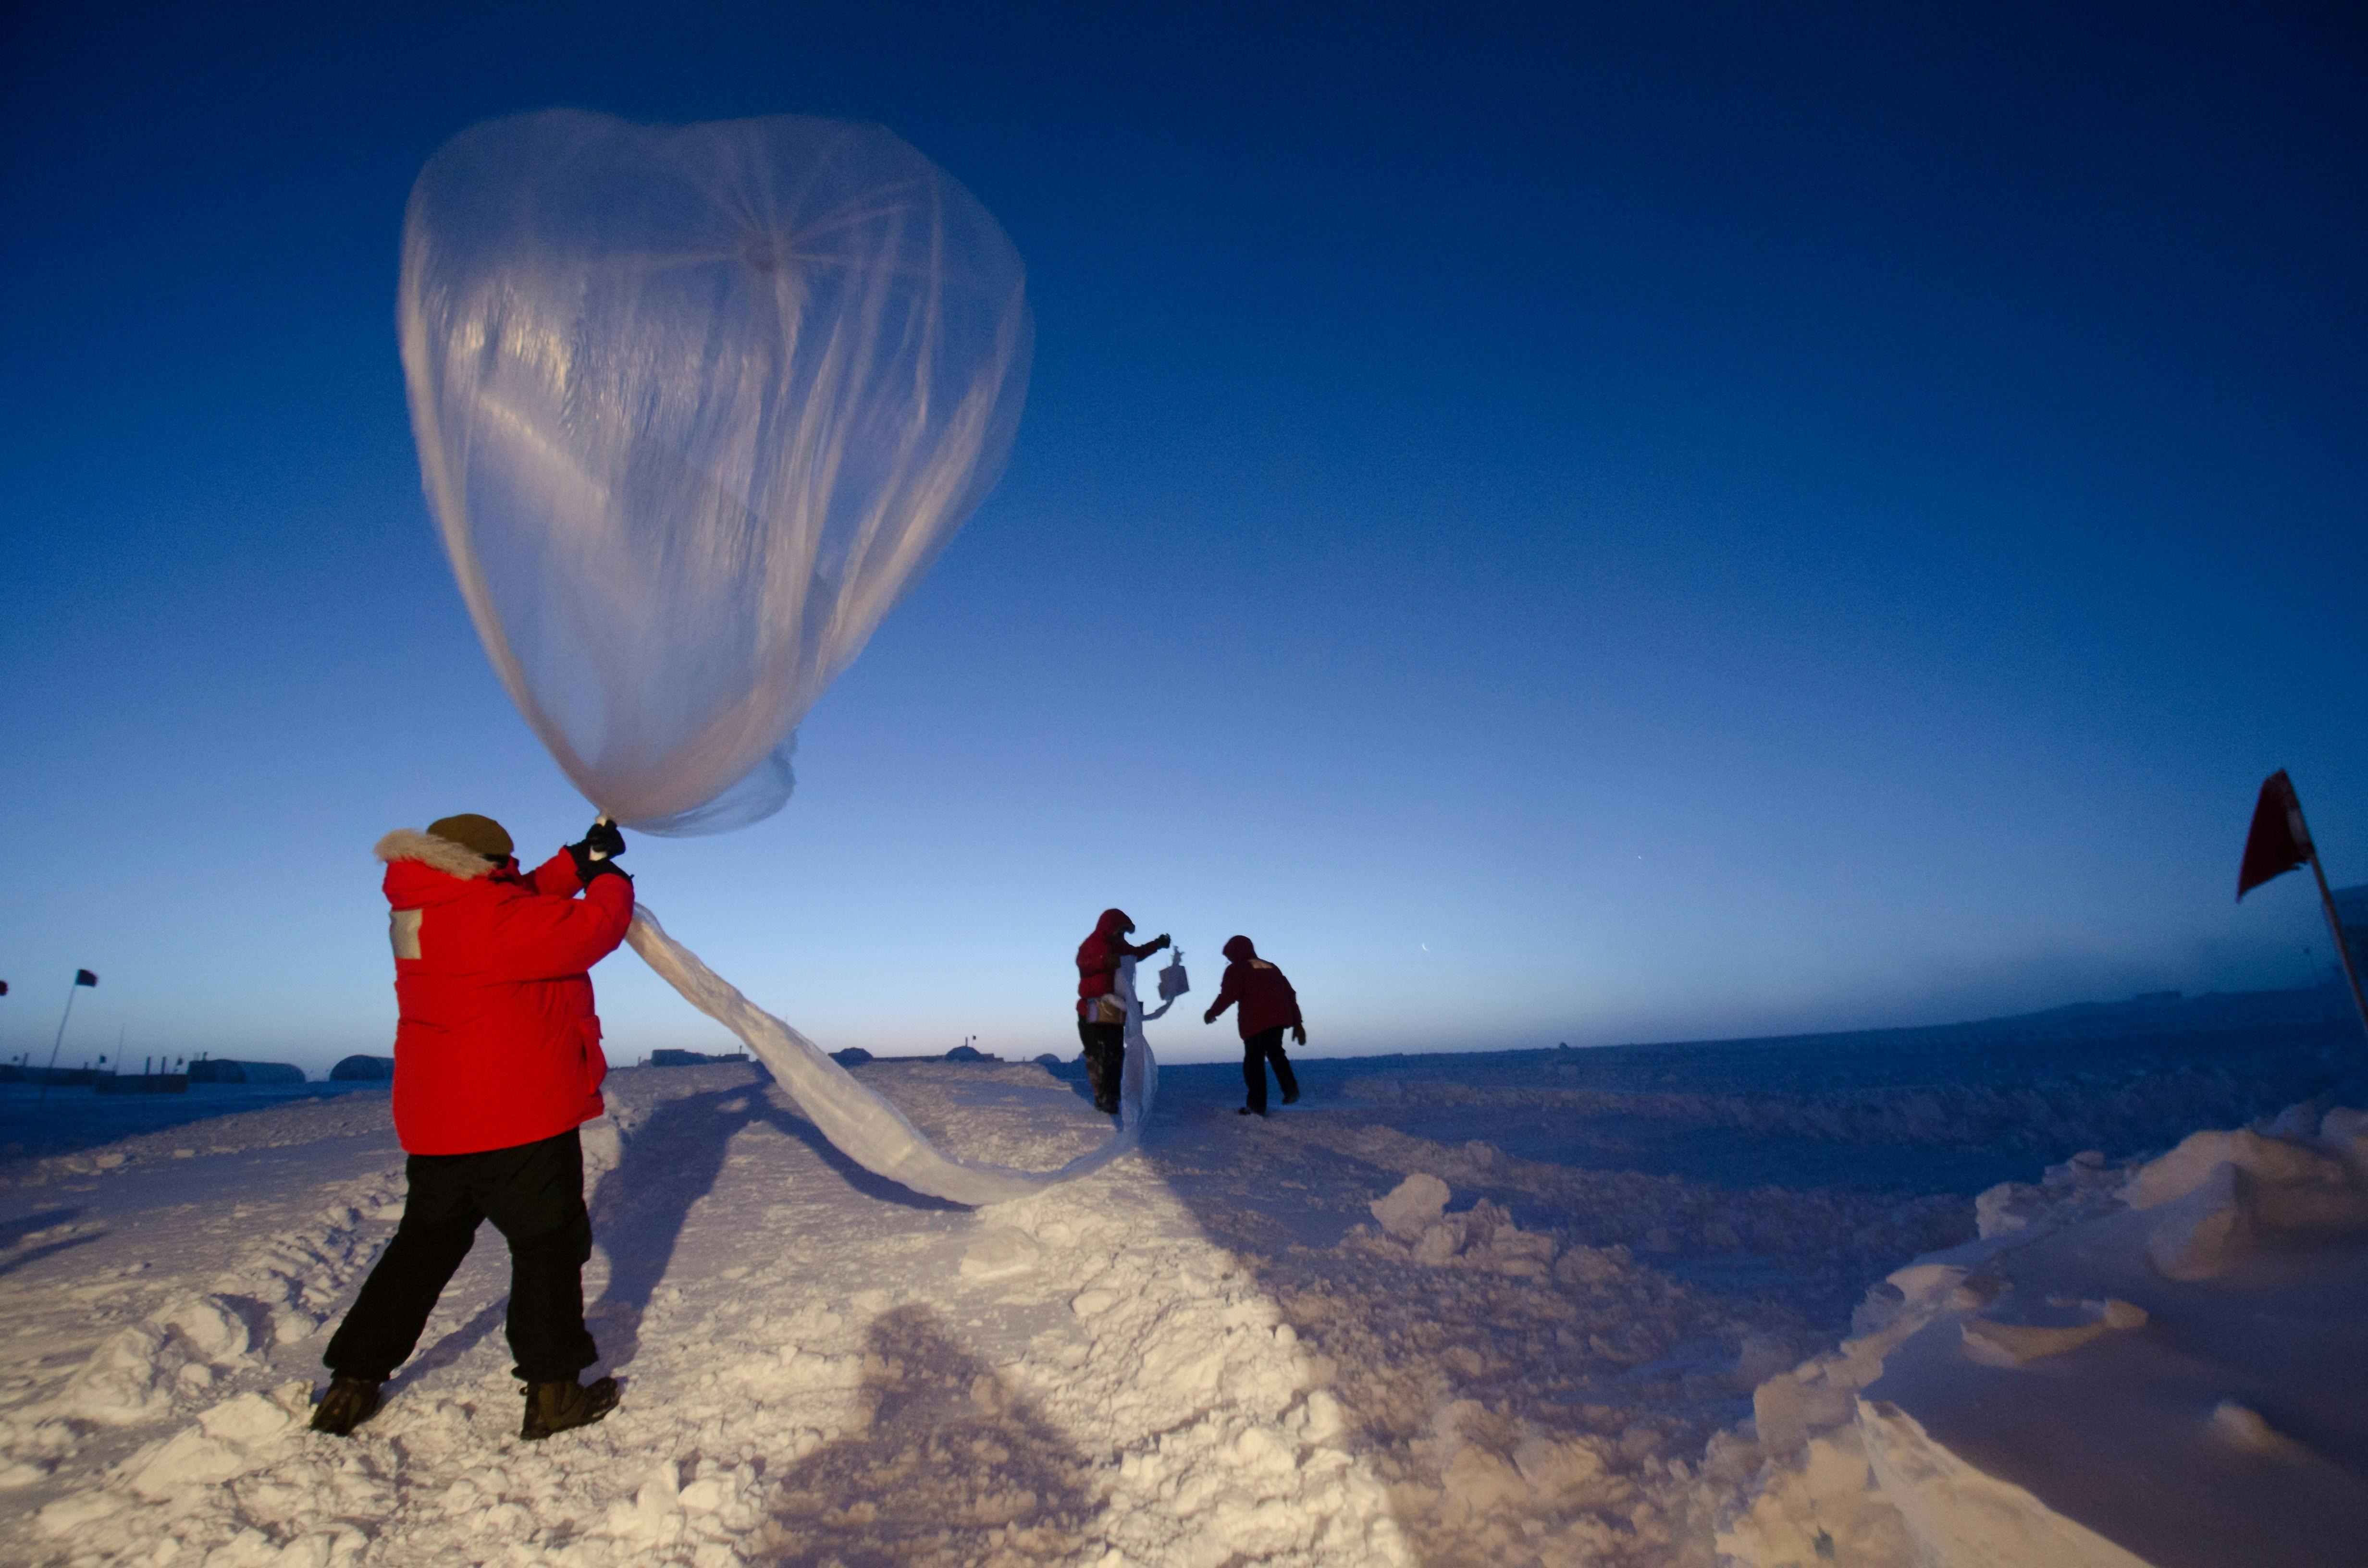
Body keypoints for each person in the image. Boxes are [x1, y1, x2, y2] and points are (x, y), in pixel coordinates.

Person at [311, 812, 635, 1442]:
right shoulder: (496, 919)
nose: (509, 874)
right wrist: (609, 880)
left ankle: (352, 1383)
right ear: (484, 866)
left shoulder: (420, 910)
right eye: (503, 866)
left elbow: (511, 903)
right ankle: (554, 1394)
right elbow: (592, 929)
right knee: (547, 1249)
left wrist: (575, 861)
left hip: (440, 1124)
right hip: (519, 1119)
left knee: (421, 1251)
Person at [1075, 909, 1168, 1115]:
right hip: (1092, 1009)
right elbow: (1084, 963)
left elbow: (1136, 955)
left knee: (1115, 1052)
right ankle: (1103, 1096)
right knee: (1098, 1053)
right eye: (1120, 931)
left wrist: (1157, 945)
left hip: (1113, 1009)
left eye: (1124, 932)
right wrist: (1105, 961)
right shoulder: (1092, 944)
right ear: (1110, 927)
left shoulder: (1120, 945)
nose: (1122, 935)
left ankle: (1113, 1095)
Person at [1204, 935, 1303, 1116]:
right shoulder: (1271, 967)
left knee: (1254, 1062)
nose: (1229, 960)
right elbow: (1290, 994)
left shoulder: (1237, 968)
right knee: (1276, 1054)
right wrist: (1298, 1023)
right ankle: (1291, 1090)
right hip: (1278, 1019)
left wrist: (1213, 1012)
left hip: (1256, 1021)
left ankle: (1256, 1106)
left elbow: (1228, 995)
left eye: (1230, 957)